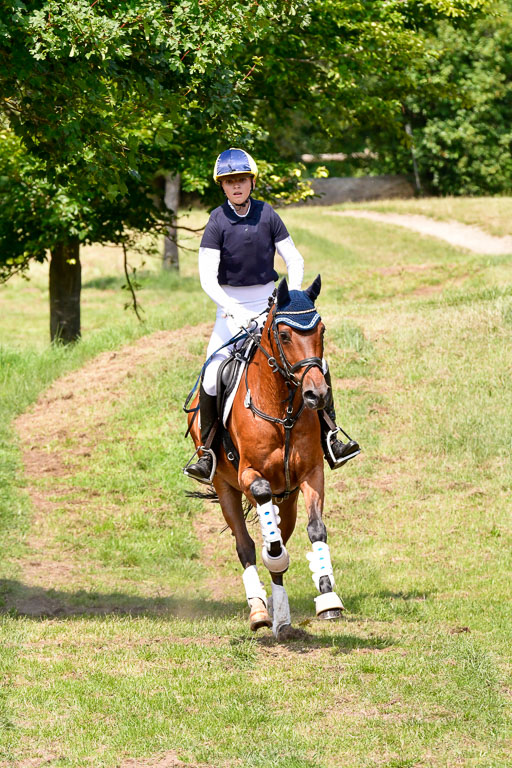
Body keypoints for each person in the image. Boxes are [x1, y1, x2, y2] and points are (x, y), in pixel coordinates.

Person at [185, 147, 359, 482]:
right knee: (212, 374)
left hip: (270, 303)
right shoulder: (217, 221)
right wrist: (231, 308)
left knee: (317, 367)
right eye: (229, 182)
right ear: (222, 186)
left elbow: (294, 260)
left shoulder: (267, 215)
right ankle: (207, 454)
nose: (236, 186)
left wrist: (290, 298)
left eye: (241, 180)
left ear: (251, 182)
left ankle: (331, 438)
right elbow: (207, 276)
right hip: (231, 308)